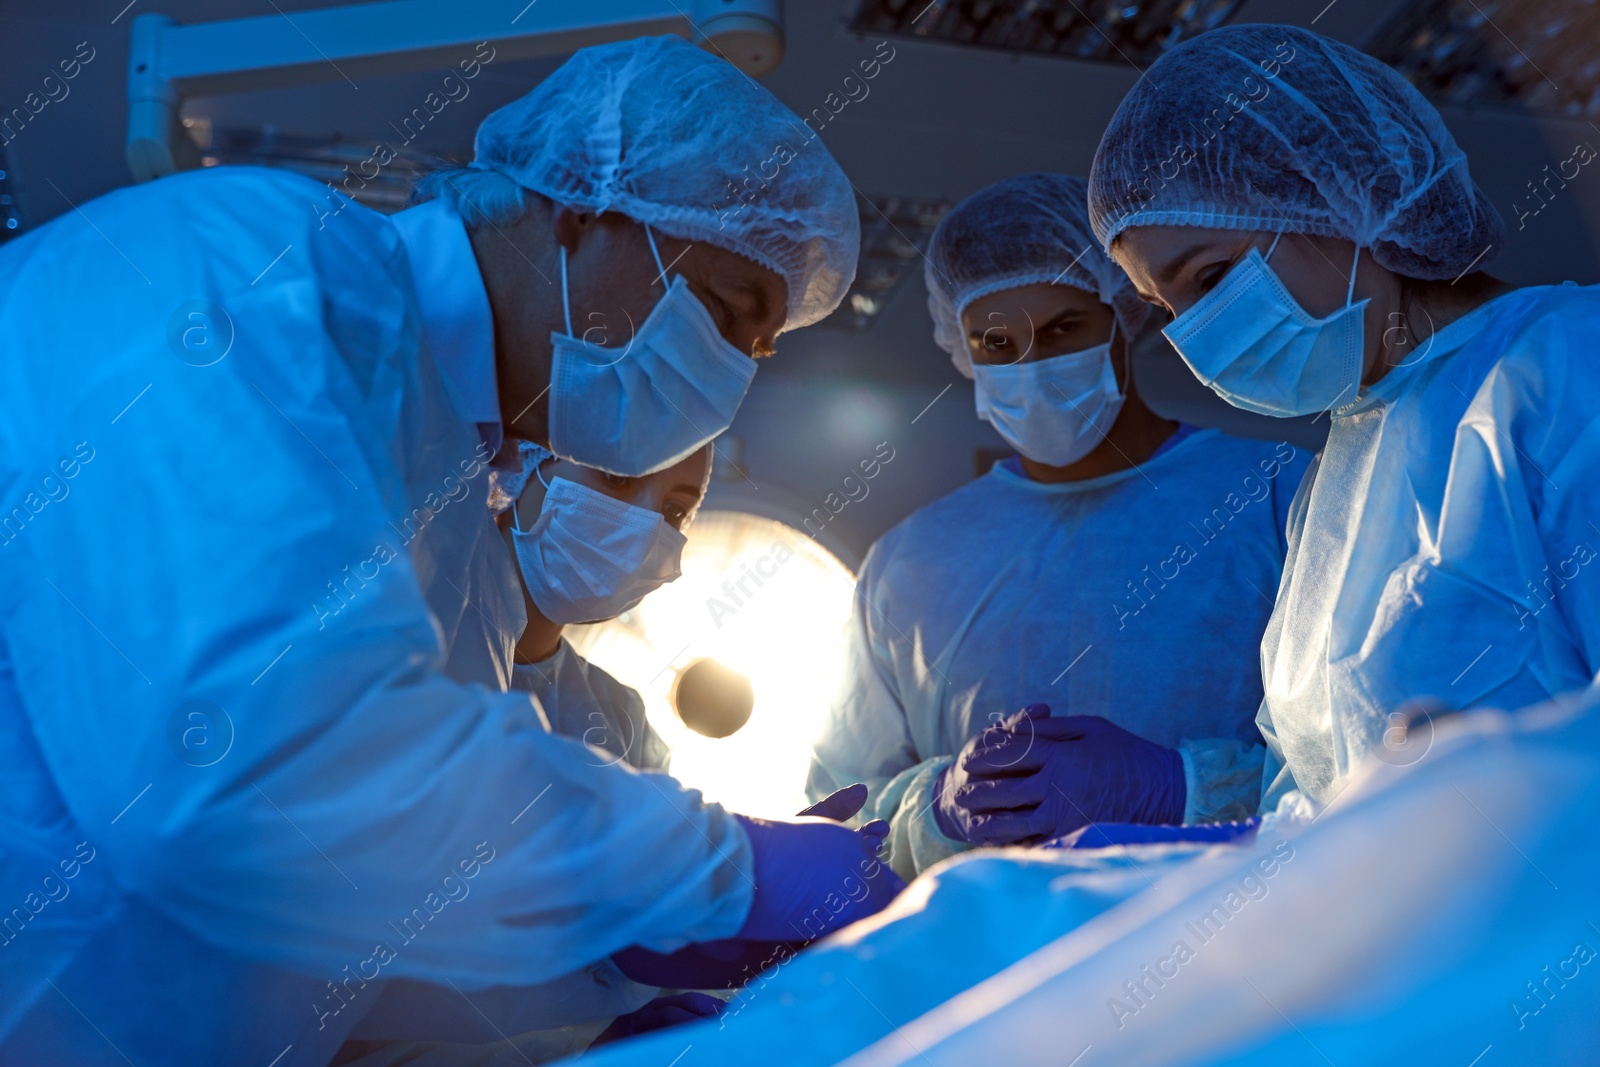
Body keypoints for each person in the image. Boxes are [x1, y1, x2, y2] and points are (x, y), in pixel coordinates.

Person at [0, 36, 900, 1067]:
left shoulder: (458, 497)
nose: (732, 373)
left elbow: (363, 903)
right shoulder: (253, 275)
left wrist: (615, 965)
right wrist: (718, 868)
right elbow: (255, 773)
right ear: (588, 210)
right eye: (733, 316)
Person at [1088, 24, 1600, 812]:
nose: (1195, 332)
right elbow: (1311, 799)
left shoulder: (1568, 368)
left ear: (1345, 194)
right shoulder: (1334, 484)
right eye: (1166, 309)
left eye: (1212, 276)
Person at [807, 173, 1311, 880]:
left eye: (1063, 330)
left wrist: (1182, 788)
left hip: (1234, 948)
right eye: (995, 342)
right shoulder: (908, 563)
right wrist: (938, 811)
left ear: (1128, 310)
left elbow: (1364, 760)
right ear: (962, 348)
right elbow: (833, 819)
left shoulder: (1279, 496)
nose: (1031, 365)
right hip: (996, 967)